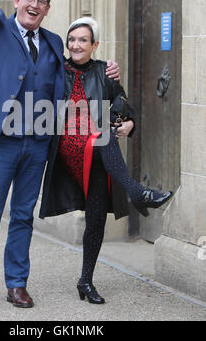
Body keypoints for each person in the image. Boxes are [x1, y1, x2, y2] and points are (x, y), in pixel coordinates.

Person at [0, 0, 120, 313]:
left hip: (37, 143)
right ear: (17, 1)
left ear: (47, 9)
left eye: (41, 1)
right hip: (1, 140)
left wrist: (108, 71)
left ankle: (17, 284)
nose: (34, 5)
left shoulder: (53, 42)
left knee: (22, 216)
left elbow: (79, 70)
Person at [39, 17, 173, 304]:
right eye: (71, 39)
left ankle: (85, 281)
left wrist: (129, 125)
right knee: (102, 133)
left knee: (97, 217)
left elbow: (124, 108)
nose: (75, 44)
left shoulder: (105, 73)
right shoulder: (56, 69)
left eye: (83, 40)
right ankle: (137, 192)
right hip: (69, 143)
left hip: (98, 150)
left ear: (94, 45)